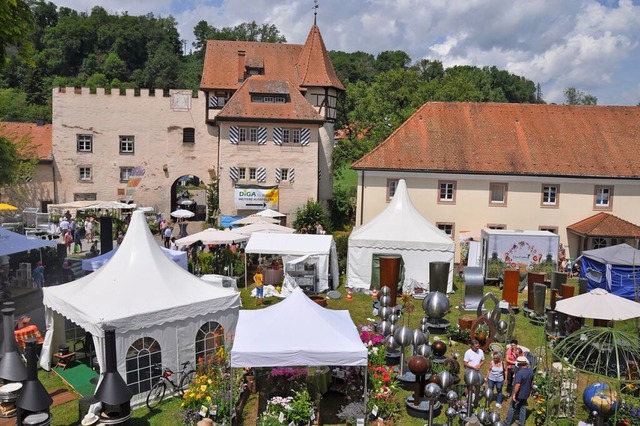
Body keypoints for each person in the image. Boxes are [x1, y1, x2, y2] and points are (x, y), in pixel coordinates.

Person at [505, 356, 534, 426]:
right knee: (523, 407)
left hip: (519, 394)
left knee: (512, 407)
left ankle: (507, 422)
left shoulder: (520, 373)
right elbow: (531, 383)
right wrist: (529, 391)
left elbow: (517, 385)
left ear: (519, 364)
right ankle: (521, 423)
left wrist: (514, 394)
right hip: (526, 393)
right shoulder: (531, 371)